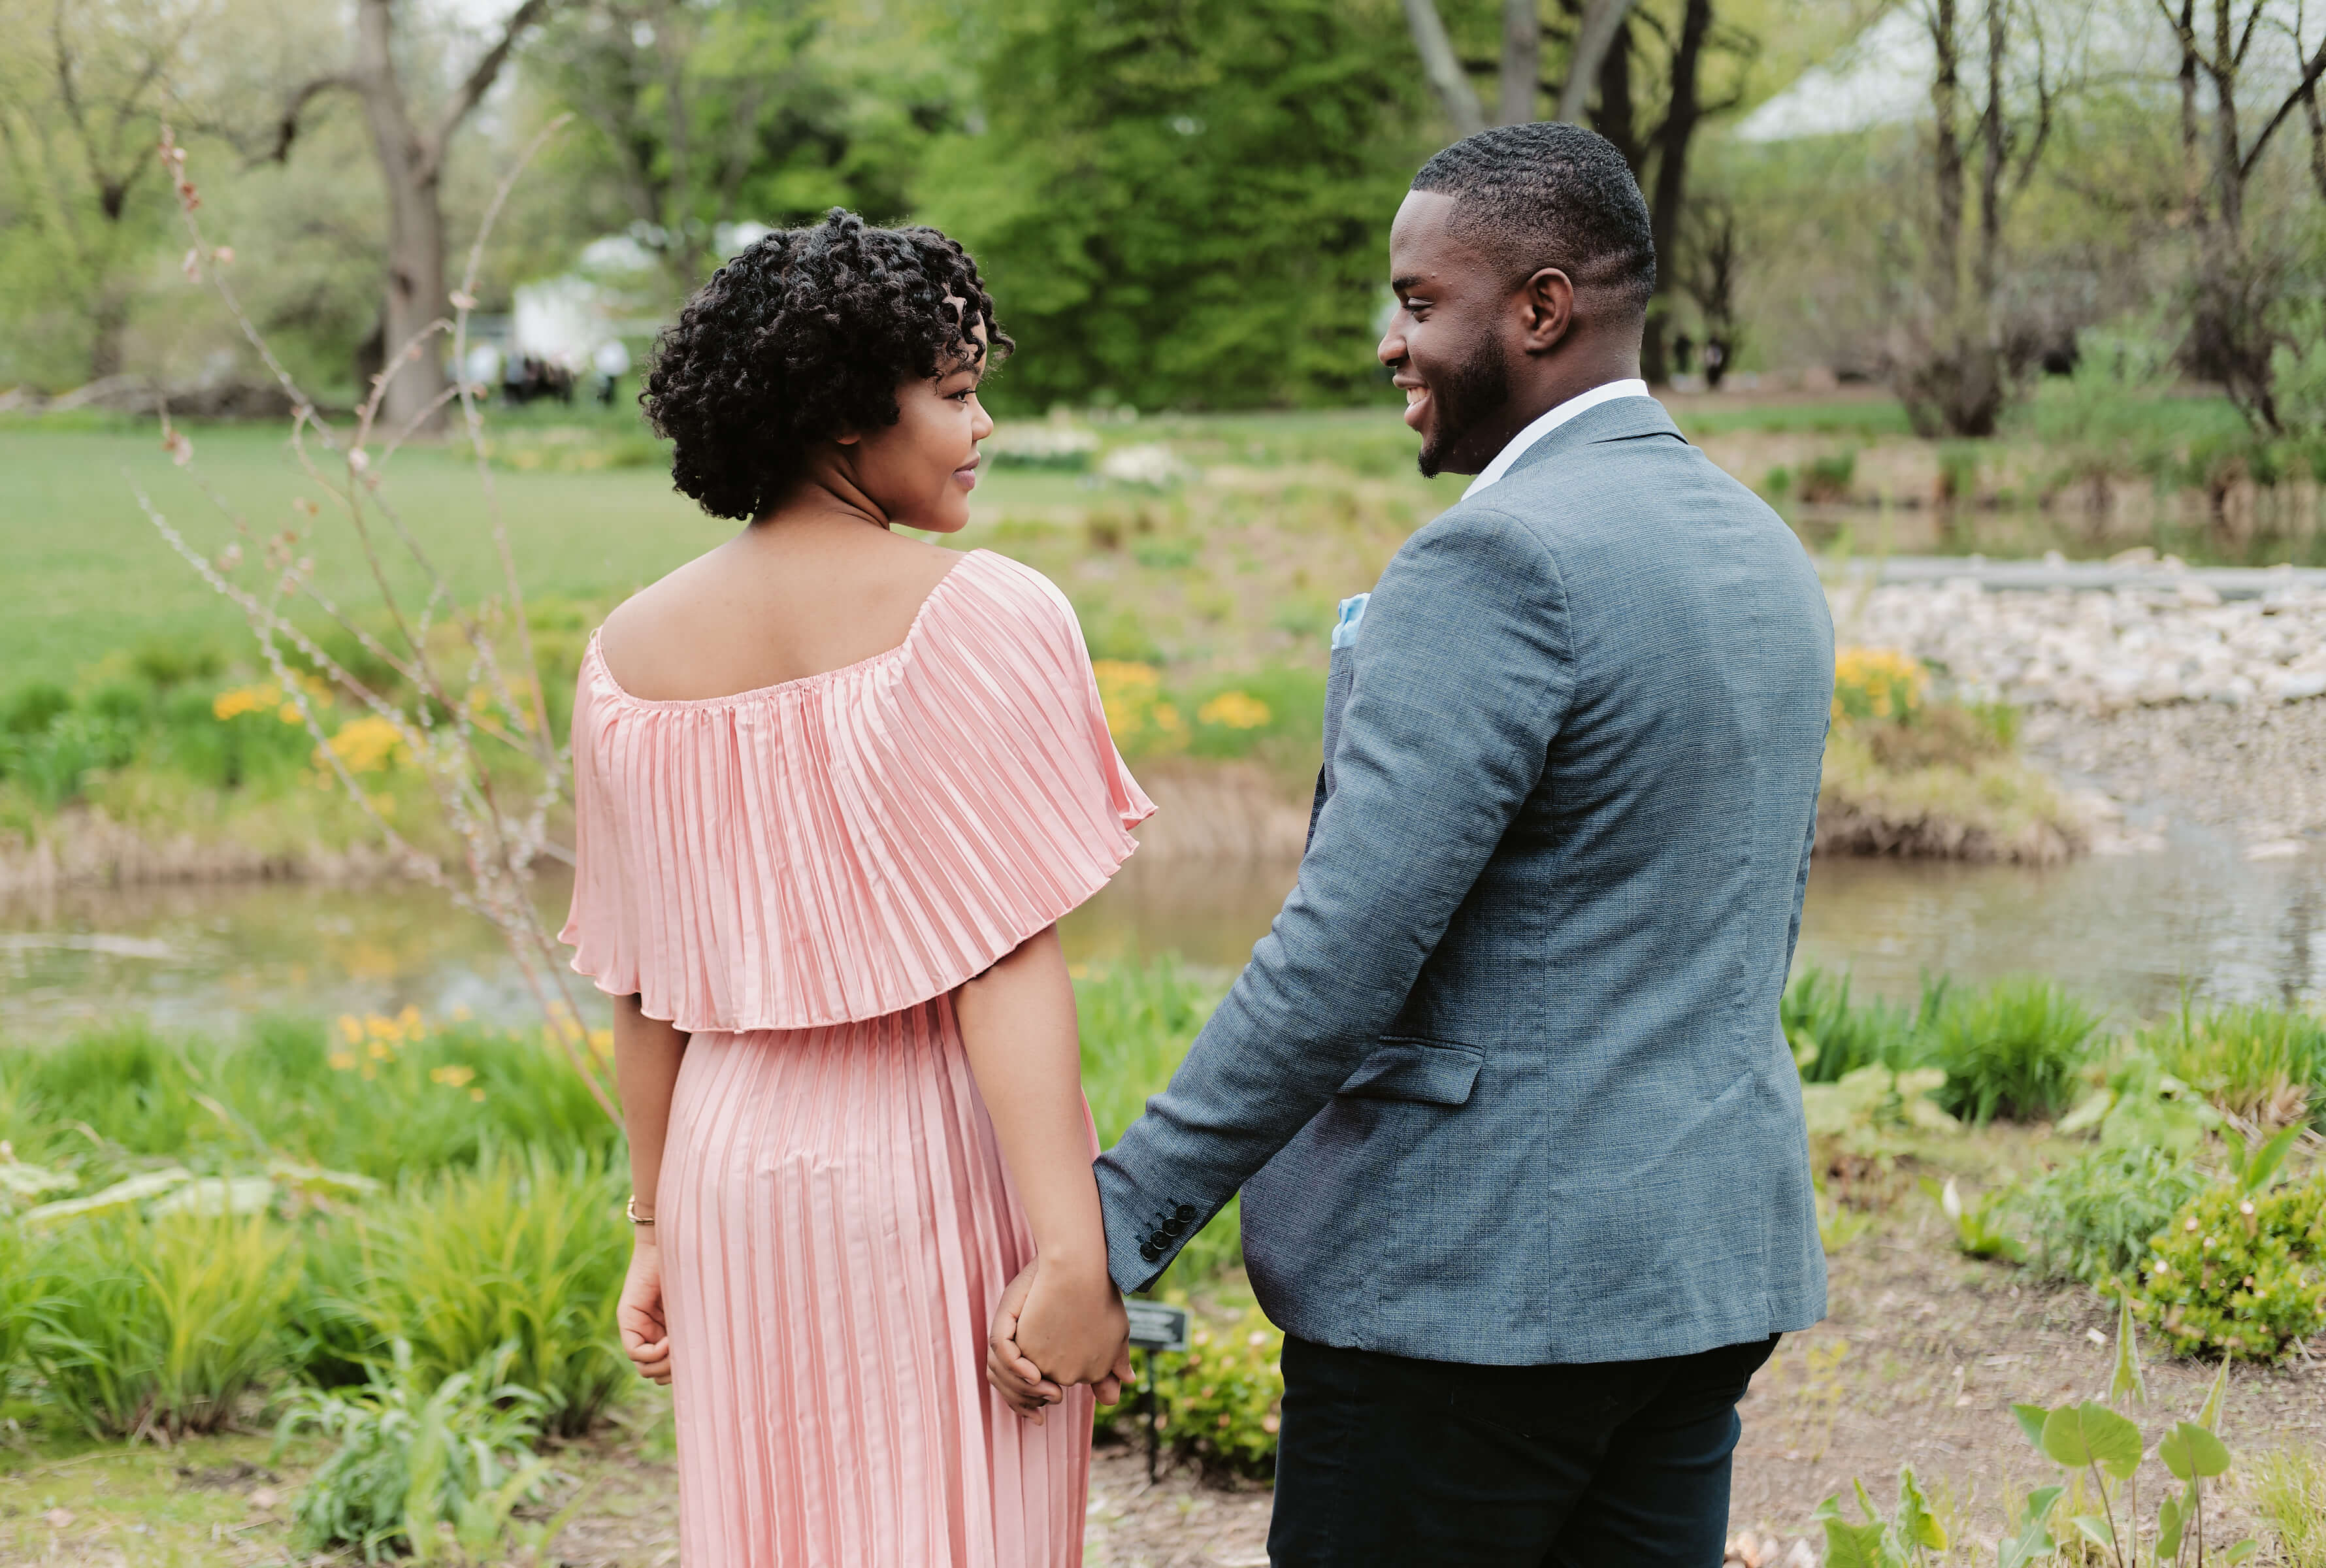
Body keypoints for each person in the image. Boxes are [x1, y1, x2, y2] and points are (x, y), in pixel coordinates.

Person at [993, 123, 1834, 1563]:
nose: (1393, 342)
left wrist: (1114, 1226)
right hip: (1700, 1275)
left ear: (1542, 309)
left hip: (1472, 1302)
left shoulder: (1495, 560)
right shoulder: (1759, 544)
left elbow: (1344, 951)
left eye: (1420, 302)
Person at [565, 210, 1140, 1568]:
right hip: (928, 1157)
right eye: (953, 393)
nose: (984, 423)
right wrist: (1074, 1258)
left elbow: (644, 991)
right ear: (841, 422)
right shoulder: (986, 614)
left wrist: (653, 1224)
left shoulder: (624, 657)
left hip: (732, 1174)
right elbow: (1002, 964)